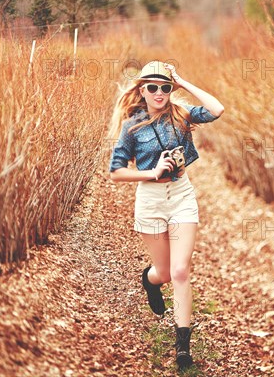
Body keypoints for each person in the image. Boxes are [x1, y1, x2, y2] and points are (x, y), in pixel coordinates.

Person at [108, 60, 224, 370]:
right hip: (151, 201)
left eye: (165, 87)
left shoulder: (182, 114)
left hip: (182, 196)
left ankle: (182, 348)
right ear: (143, 90)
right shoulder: (131, 125)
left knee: (181, 271)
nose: (160, 93)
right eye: (153, 87)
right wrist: (151, 172)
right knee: (164, 272)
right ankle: (150, 280)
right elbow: (116, 172)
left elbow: (217, 109)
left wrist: (183, 81)